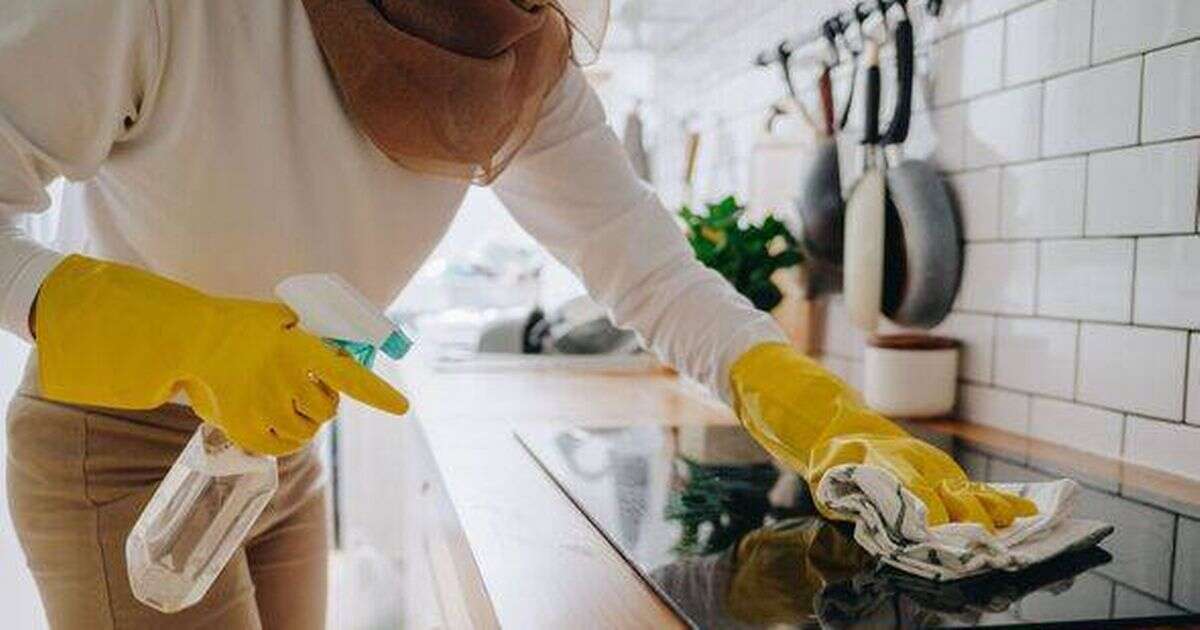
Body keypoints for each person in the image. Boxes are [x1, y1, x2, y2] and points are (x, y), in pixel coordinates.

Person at [0, 1, 1035, 627]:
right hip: (120, 453)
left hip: (278, 451)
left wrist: (825, 414)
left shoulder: (513, 51)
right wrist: (166, 329)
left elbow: (658, 279)